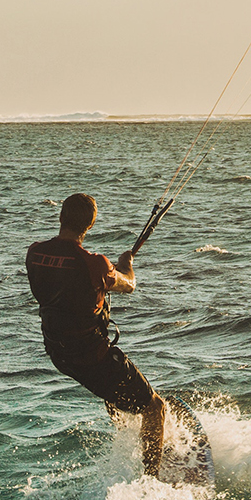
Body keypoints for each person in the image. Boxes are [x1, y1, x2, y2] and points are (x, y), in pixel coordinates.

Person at [25, 192, 166, 474]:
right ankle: (152, 482)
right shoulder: (96, 264)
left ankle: (130, 441)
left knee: (111, 391)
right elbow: (127, 284)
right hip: (90, 356)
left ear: (61, 217)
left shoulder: (35, 253)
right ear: (89, 226)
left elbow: (68, 285)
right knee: (156, 408)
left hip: (59, 353)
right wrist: (126, 265)